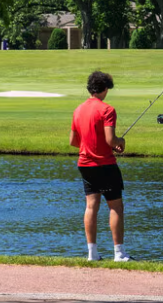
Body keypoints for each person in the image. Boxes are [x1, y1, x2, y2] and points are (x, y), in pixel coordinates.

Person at [69, 71, 131, 261]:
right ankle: (119, 253)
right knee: (115, 207)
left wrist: (91, 144)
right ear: (104, 89)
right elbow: (111, 139)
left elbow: (73, 141)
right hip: (105, 164)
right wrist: (121, 141)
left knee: (91, 207)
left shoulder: (78, 110)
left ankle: (92, 253)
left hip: (85, 164)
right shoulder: (107, 110)